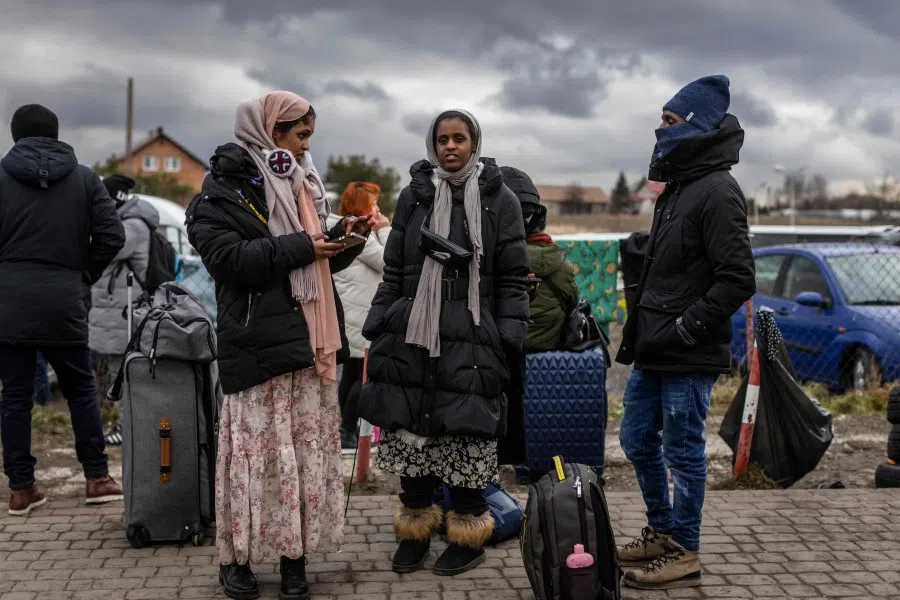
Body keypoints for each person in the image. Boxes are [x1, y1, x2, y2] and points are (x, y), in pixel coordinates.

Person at [186, 91, 370, 600]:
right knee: (253, 457)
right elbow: (228, 260)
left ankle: (295, 557)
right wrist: (304, 247)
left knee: (302, 459)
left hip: (309, 342)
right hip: (258, 345)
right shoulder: (219, 193)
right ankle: (236, 560)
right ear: (271, 132)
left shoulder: (304, 186)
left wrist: (343, 240)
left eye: (310, 137)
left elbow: (315, 265)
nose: (308, 148)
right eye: (301, 136)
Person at [358, 110, 530, 576]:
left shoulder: (501, 200)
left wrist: (507, 334)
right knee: (413, 431)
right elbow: (394, 268)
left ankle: (468, 536)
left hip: (473, 332)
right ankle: (413, 531)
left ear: (474, 143)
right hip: (414, 330)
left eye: (458, 138)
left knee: (467, 435)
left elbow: (514, 277)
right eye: (442, 139)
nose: (449, 146)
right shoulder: (413, 197)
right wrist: (380, 319)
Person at [615, 75, 755, 590]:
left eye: (670, 122)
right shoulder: (677, 188)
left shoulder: (718, 191)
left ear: (696, 126)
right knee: (635, 440)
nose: (660, 129)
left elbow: (738, 277)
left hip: (688, 352)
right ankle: (663, 531)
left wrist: (685, 327)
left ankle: (686, 550)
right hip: (655, 348)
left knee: (682, 451)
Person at [0, 104, 126, 515]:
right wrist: (82, 273)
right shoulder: (86, 178)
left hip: (10, 303)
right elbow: (112, 235)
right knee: (80, 389)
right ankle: (97, 478)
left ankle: (21, 489)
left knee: (15, 397)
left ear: (16, 134)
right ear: (55, 133)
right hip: (64, 299)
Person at [88, 174, 161, 446]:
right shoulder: (123, 222)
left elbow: (104, 248)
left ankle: (124, 424)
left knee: (124, 372)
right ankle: (109, 420)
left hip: (123, 312)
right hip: (111, 311)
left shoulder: (133, 226)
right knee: (106, 371)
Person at [325, 181, 391, 451]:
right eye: (374, 204)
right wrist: (385, 229)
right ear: (364, 207)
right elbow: (389, 261)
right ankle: (348, 430)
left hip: (350, 309)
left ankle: (346, 429)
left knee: (351, 374)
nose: (377, 209)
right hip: (358, 312)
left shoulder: (338, 227)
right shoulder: (359, 232)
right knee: (360, 374)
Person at [500, 166, 579, 353]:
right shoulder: (560, 263)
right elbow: (572, 303)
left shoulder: (487, 259)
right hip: (546, 346)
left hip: (499, 349)